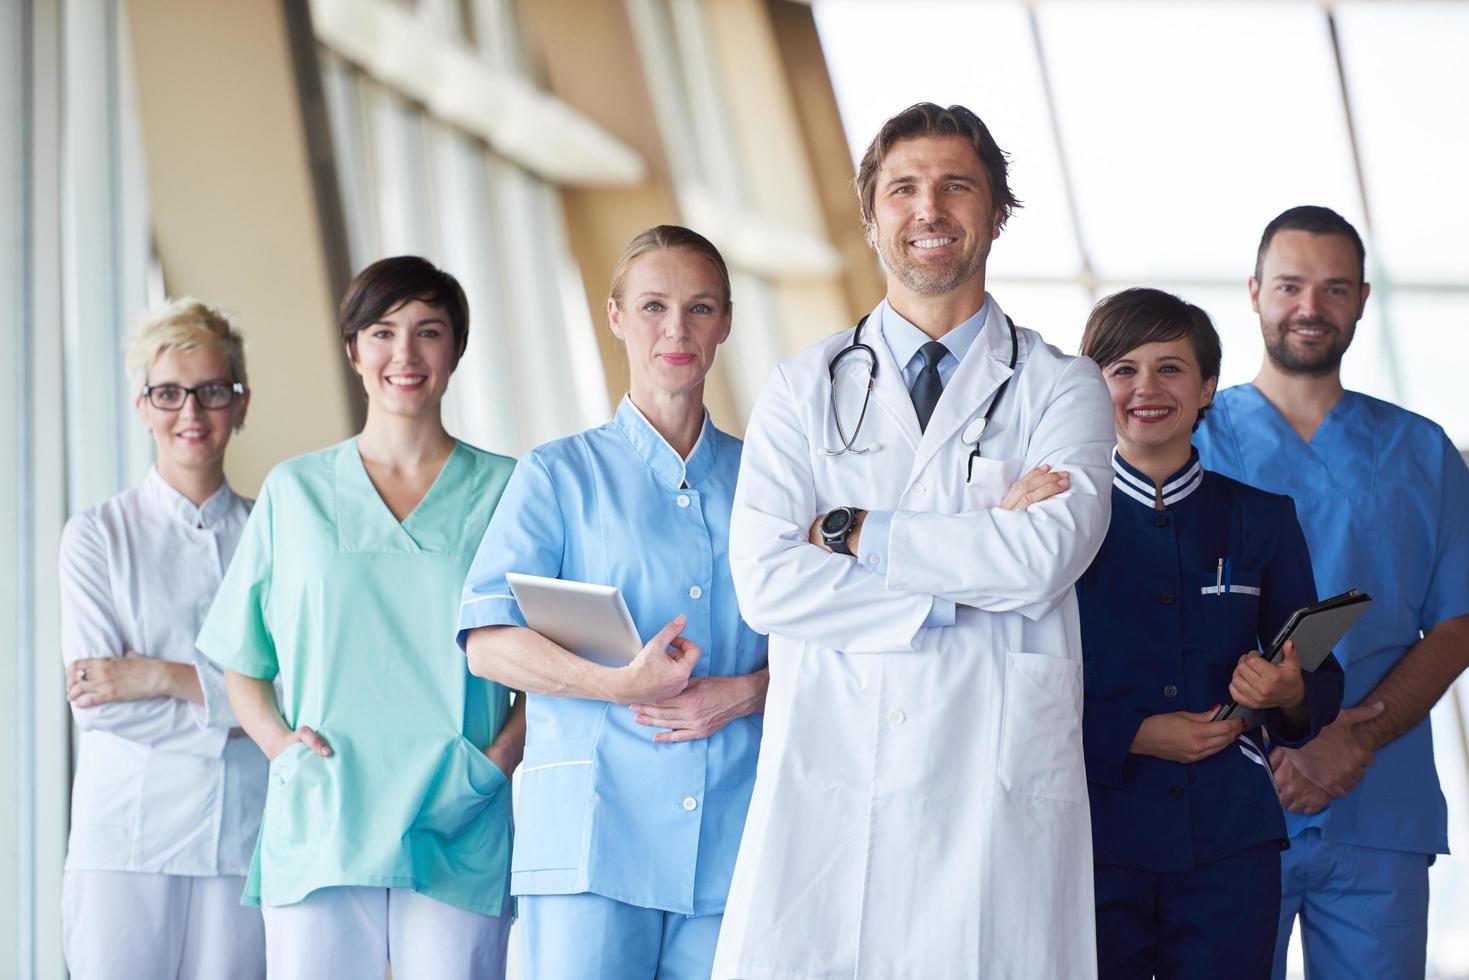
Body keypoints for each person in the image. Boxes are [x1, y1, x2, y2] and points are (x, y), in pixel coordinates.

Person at [712, 103, 1116, 978]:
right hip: (834, 768)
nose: (927, 209)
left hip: (992, 776)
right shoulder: (798, 389)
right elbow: (767, 584)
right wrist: (969, 562)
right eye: (903, 189)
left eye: (955, 186)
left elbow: (1045, 556)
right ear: (871, 219)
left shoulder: (1062, 387)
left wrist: (851, 530)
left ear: (996, 213)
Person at [196, 257, 522, 980]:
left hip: (457, 813)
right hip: (323, 814)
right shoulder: (296, 491)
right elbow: (240, 659)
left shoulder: (510, 489)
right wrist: (282, 748)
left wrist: (497, 761)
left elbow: (549, 655)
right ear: (352, 351)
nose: (403, 355)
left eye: (428, 332)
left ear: (456, 350)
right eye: (382, 332)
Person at [458, 225, 768, 980]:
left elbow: (828, 637)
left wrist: (747, 692)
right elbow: (486, 640)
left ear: (725, 322)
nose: (676, 329)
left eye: (699, 308)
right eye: (654, 305)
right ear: (616, 316)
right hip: (595, 838)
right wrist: (614, 685)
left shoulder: (768, 481)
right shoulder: (558, 475)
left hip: (737, 833)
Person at [1194, 205, 1469, 980]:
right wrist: (1288, 741)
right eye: (1289, 285)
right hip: (1230, 802)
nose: (1309, 307)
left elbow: (1457, 622)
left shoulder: (1420, 450)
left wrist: (1347, 740)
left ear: (1360, 301)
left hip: (1376, 800)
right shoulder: (1193, 443)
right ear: (1253, 293)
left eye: (1333, 288)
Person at [1076, 287, 1344, 978]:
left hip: (1231, 840)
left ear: (1206, 389)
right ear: (1088, 386)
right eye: (1122, 369)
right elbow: (1010, 679)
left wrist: (1286, 690)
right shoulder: (1056, 525)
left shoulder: (1261, 518)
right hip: (1092, 833)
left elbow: (1319, 679)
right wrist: (1131, 733)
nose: (1146, 388)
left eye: (1169, 368)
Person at [58, 299, 267, 980]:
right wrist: (249, 711)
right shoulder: (95, 536)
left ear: (240, 404)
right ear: (143, 407)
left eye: (211, 391)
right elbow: (103, 703)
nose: (191, 413)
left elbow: (303, 699)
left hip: (242, 837)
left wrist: (161, 676)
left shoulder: (277, 533)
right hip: (127, 837)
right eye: (169, 393)